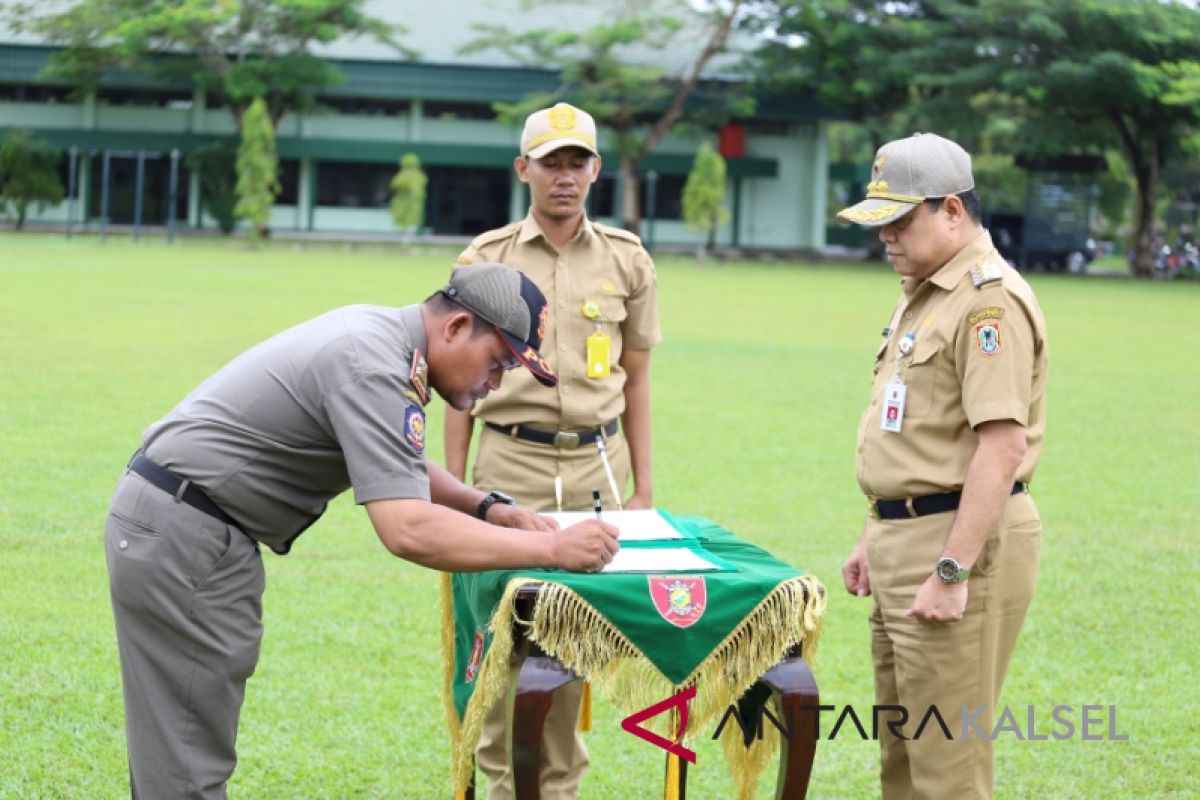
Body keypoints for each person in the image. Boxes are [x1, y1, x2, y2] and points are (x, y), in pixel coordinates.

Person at [104, 262, 620, 799]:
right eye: (497, 363)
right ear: (456, 327)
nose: (495, 385)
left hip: (188, 524)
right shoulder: (372, 364)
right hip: (185, 533)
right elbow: (408, 529)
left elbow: (399, 459)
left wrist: (485, 505)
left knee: (185, 748)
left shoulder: (382, 343)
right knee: (187, 761)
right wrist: (551, 548)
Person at [443, 103, 661, 799]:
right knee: (503, 648)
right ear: (523, 170)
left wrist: (644, 488)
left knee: (572, 653)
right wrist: (454, 491)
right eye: (550, 163)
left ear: (595, 170)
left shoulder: (626, 258)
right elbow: (457, 389)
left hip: (598, 471)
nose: (564, 177)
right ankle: (507, 788)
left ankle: (557, 790)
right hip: (510, 468)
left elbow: (638, 379)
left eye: (577, 162)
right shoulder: (487, 257)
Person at [837, 133, 1048, 799]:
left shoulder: (988, 302)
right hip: (904, 539)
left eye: (900, 221)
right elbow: (920, 433)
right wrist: (876, 532)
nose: (886, 238)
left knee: (946, 768)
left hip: (956, 544)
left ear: (951, 210)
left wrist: (952, 569)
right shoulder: (926, 291)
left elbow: (1001, 447)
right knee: (902, 756)